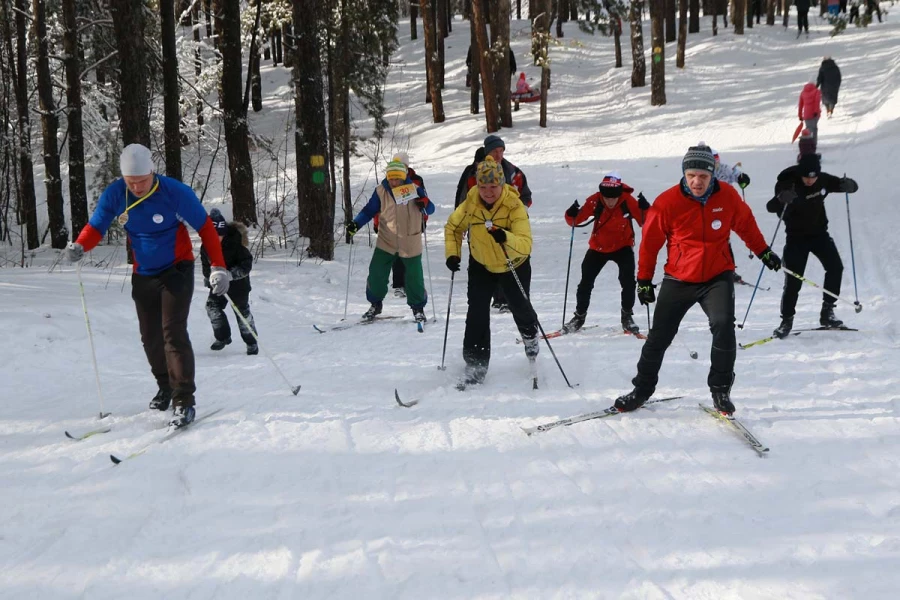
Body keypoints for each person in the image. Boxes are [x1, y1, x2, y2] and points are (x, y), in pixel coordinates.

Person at [65, 144, 230, 428]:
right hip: (143, 273)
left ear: (152, 172)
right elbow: (96, 226)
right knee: (150, 337)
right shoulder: (116, 194)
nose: (138, 187)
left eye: (142, 180)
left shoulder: (174, 192)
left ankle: (183, 401)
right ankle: (165, 385)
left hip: (177, 269)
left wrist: (218, 267)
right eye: (132, 182)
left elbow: (204, 226)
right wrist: (80, 245)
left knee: (173, 333)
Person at [613, 145, 781, 416]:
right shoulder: (667, 203)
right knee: (659, 337)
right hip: (679, 278)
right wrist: (643, 280)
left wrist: (763, 251)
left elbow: (746, 224)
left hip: (717, 275)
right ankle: (641, 390)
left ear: (712, 174)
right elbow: (650, 244)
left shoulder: (728, 196)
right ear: (684, 174)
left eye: (703, 175)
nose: (697, 181)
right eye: (691, 175)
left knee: (724, 326)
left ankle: (720, 391)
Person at [445, 156, 537, 387]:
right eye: (483, 186)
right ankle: (475, 363)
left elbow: (526, 244)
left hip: (512, 264)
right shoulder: (471, 202)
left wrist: (505, 236)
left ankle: (530, 337)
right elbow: (453, 227)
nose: (487, 192)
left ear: (502, 184)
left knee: (520, 307)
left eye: (493, 186)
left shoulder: (514, 205)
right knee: (476, 312)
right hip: (481, 264)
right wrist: (452, 253)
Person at [766, 154, 859, 338]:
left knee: (835, 268)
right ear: (800, 173)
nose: (810, 180)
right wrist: (781, 199)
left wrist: (850, 185)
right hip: (796, 238)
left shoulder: (822, 180)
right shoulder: (788, 183)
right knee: (794, 280)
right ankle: (786, 320)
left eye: (813, 177)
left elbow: (843, 184)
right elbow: (770, 206)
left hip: (819, 234)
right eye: (806, 177)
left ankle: (828, 313)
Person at [346, 156, 434, 324]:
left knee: (414, 277)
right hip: (387, 240)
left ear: (403, 177)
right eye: (391, 177)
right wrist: (355, 224)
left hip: (410, 240)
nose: (393, 181)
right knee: (377, 273)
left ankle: (418, 309)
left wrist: (423, 202)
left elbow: (431, 208)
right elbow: (368, 210)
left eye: (397, 178)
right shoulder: (381, 191)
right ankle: (375, 304)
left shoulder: (414, 189)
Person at [562, 172, 649, 335]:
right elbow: (574, 221)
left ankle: (627, 317)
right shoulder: (595, 200)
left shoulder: (627, 201)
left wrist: (646, 209)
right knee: (585, 282)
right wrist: (571, 213)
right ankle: (579, 317)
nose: (610, 201)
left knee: (628, 282)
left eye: (613, 198)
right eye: (606, 198)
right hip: (597, 247)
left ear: (619, 194)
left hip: (623, 246)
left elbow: (646, 222)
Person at [483, 134, 533, 312]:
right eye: (494, 151)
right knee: (492, 256)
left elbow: (526, 195)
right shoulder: (478, 170)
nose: (498, 155)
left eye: (501, 151)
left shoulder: (513, 171)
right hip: (487, 220)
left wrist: (522, 209)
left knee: (515, 255)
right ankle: (498, 298)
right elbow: (467, 195)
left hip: (512, 220)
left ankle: (513, 297)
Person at [202, 208, 258, 355]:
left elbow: (246, 265)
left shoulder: (236, 244)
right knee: (212, 307)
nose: (216, 239)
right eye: (212, 235)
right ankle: (223, 337)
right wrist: (209, 277)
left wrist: (230, 274)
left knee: (242, 313)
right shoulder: (206, 247)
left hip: (238, 286)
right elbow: (206, 266)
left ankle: (251, 342)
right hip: (220, 286)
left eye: (219, 235)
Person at [380, 152, 427, 298]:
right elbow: (381, 203)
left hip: (412, 223)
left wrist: (424, 218)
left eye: (403, 165)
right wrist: (378, 222)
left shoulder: (417, 180)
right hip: (394, 223)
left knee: (412, 255)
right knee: (397, 254)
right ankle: (399, 284)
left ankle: (412, 285)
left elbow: (425, 199)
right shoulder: (390, 181)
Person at [709, 146, 752, 283]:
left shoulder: (723, 168)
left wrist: (742, 178)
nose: (715, 166)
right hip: (707, 210)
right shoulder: (702, 171)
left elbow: (735, 174)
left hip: (724, 209)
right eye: (712, 162)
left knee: (724, 239)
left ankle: (729, 270)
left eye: (716, 162)